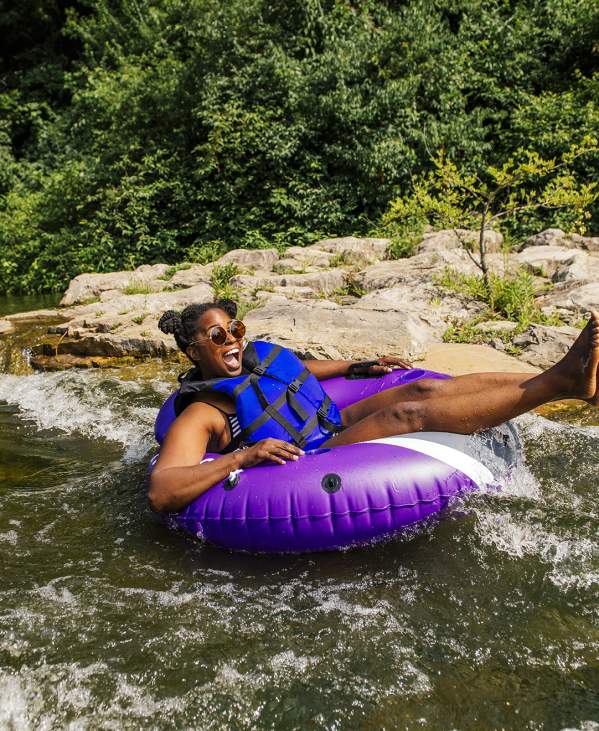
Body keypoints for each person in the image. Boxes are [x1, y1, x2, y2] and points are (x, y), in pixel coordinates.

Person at [148, 298, 599, 513]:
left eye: (236, 329)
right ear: (193, 351)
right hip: (311, 455)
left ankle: (558, 377)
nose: (233, 340)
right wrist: (244, 455)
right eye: (218, 336)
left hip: (326, 421)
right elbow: (162, 490)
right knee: (406, 415)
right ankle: (561, 384)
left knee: (420, 391)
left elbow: (298, 370)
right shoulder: (203, 412)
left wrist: (361, 366)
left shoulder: (250, 359)